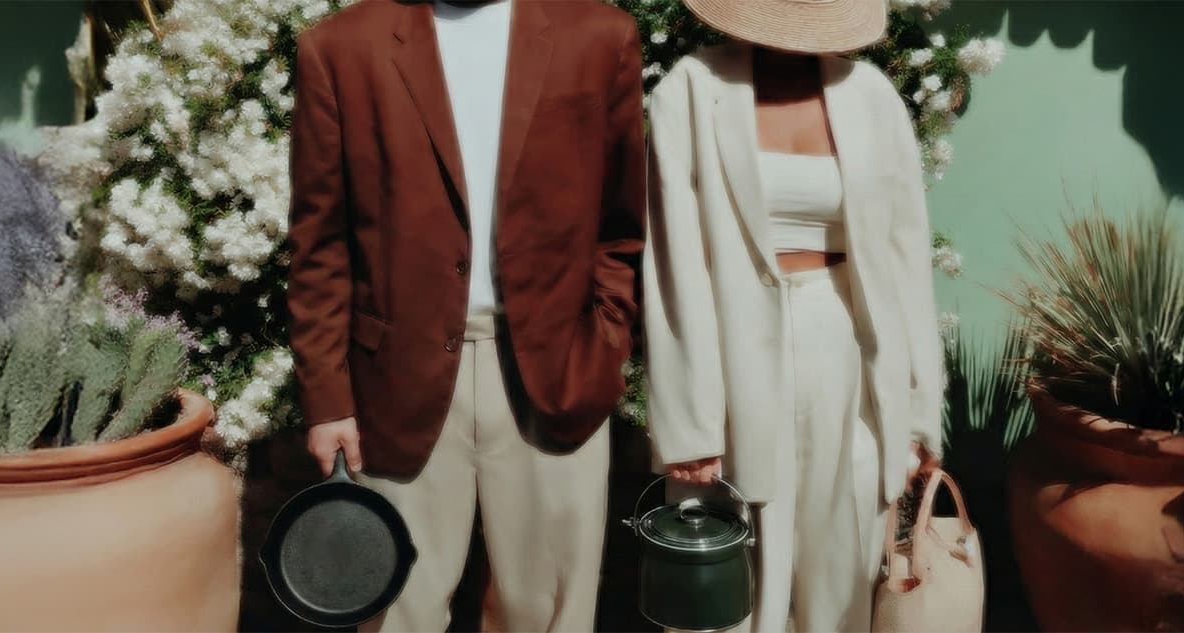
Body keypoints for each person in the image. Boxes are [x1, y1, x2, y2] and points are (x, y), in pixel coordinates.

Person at [284, 0, 645, 629]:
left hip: (556, 370)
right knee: (398, 607)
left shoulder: (598, 35)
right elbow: (319, 246)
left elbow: (622, 227)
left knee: (552, 611)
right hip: (397, 376)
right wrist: (328, 397)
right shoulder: (341, 47)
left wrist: (605, 340)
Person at [642, 0, 946, 630]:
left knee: (845, 560)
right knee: (730, 582)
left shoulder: (871, 96)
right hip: (725, 350)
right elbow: (674, 262)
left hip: (848, 347)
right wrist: (689, 423)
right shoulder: (692, 90)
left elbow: (904, 258)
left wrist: (918, 413)